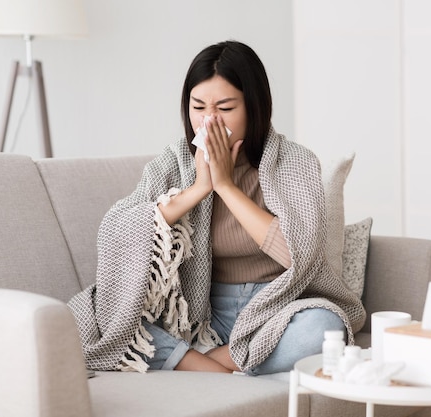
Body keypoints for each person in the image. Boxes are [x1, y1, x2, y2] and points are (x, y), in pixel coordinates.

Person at [68, 40, 366, 375]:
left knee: (323, 328)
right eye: (198, 107)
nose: (209, 122)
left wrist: (225, 185)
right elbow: (118, 229)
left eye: (224, 109)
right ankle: (232, 363)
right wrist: (199, 189)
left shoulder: (294, 162)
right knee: (93, 317)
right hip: (202, 317)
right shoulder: (174, 160)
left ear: (254, 107)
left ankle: (202, 365)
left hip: (277, 308)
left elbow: (299, 254)